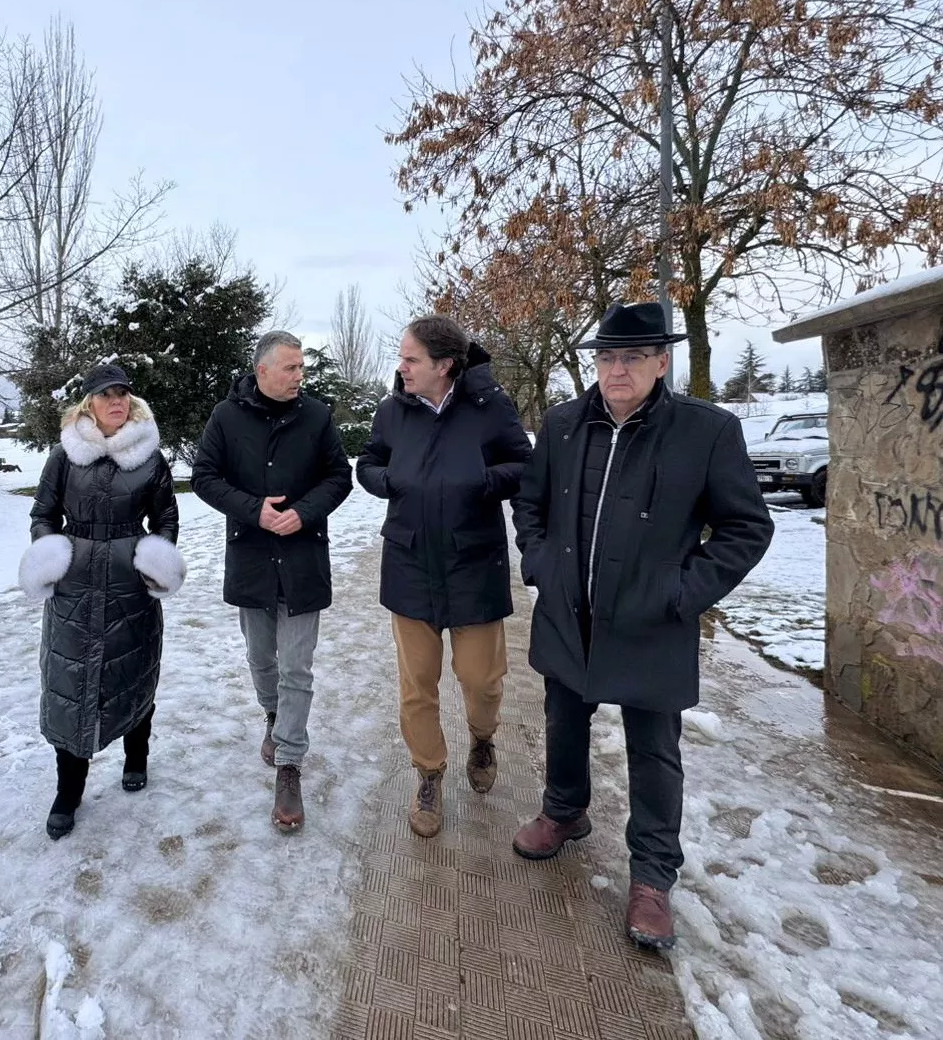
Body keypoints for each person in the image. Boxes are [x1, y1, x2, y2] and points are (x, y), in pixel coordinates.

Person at [511, 302, 773, 949]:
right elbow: (530, 502)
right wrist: (542, 562)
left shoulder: (704, 432)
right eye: (606, 357)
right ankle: (565, 812)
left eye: (631, 357)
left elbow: (747, 527)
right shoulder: (566, 424)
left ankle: (652, 876)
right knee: (563, 721)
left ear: (662, 361)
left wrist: (684, 593)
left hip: (653, 625)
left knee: (653, 752)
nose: (616, 370)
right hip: (571, 617)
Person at [357, 315, 532, 839]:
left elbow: (524, 465)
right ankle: (429, 774)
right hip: (410, 562)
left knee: (481, 678)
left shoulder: (490, 407)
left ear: (444, 364)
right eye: (403, 358)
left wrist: (481, 480)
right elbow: (368, 462)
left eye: (411, 359)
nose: (402, 367)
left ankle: (483, 737)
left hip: (473, 563)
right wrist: (386, 479)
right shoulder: (392, 411)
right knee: (417, 686)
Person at [191, 331, 352, 832]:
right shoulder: (226, 416)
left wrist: (303, 514)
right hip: (252, 557)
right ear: (261, 370)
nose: (299, 375)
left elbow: (338, 477)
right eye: (290, 368)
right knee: (261, 657)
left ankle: (289, 763)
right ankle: (272, 717)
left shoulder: (317, 417)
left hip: (303, 559)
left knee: (297, 667)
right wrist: (252, 510)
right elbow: (203, 476)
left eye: (301, 367)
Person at [18, 363, 186, 840]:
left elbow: (167, 517)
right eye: (107, 394)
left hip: (130, 583)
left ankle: (137, 756)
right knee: (69, 682)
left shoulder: (151, 459)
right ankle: (68, 790)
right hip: (73, 582)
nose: (117, 402)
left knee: (132, 671)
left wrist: (156, 559)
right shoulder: (64, 456)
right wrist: (49, 553)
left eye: (124, 395)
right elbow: (43, 512)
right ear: (88, 402)